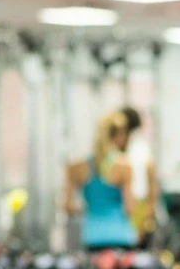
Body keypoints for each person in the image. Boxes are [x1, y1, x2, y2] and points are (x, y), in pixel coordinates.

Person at [63, 111, 137, 250]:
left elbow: (67, 206)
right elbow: (129, 208)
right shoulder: (124, 166)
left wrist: (90, 209)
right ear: (117, 136)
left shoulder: (76, 166)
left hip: (92, 236)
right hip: (121, 236)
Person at [119, 106, 162, 246]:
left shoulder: (122, 150)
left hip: (128, 204)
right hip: (138, 204)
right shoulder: (142, 148)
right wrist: (150, 211)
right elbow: (152, 182)